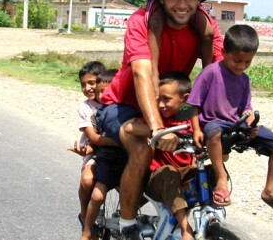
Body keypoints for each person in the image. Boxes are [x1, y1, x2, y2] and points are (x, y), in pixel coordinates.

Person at [95, 0, 223, 240]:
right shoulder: (142, 21)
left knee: (210, 138)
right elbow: (142, 73)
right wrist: (156, 128)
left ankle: (177, 211)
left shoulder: (205, 27)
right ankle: (128, 224)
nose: (182, 4)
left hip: (172, 103)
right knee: (142, 148)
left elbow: (221, 75)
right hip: (122, 105)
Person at [187, 24, 273, 217]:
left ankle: (270, 189)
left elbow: (246, 108)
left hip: (237, 124)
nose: (242, 66)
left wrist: (251, 124)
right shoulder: (210, 72)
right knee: (214, 131)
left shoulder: (244, 79)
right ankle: (220, 178)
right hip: (213, 123)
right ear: (223, 51)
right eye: (237, 60)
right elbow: (193, 104)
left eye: (247, 62)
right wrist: (196, 130)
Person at [123, 71, 196, 240]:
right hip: (157, 178)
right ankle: (186, 229)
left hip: (184, 173)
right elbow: (129, 127)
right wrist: (158, 133)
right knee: (169, 172)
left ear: (184, 99)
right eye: (158, 99)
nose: (161, 105)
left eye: (167, 99)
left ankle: (210, 221)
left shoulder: (191, 118)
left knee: (210, 172)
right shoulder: (157, 120)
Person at [68, 61, 117, 232]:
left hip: (118, 151)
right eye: (83, 84)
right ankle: (84, 215)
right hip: (95, 150)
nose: (88, 88)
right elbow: (94, 139)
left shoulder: (116, 102)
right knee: (87, 180)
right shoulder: (85, 107)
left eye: (92, 83)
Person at [80, 68, 126, 240]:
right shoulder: (95, 115)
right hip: (106, 157)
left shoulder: (127, 109)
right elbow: (95, 141)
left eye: (105, 91)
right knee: (95, 192)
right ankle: (86, 230)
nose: (100, 95)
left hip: (127, 158)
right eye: (99, 92)